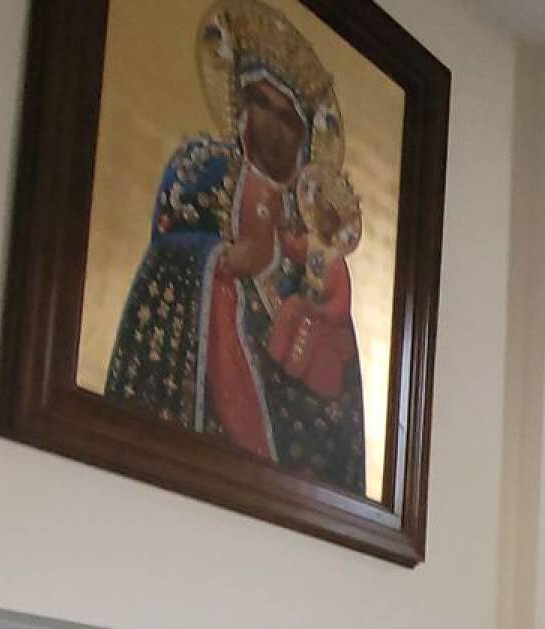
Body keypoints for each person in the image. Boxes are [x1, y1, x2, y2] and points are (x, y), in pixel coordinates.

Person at [104, 0, 367, 493]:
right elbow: (165, 256)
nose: (271, 125)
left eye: (287, 117)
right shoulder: (205, 170)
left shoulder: (310, 219)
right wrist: (221, 261)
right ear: (240, 105)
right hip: (209, 401)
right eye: (260, 103)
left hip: (292, 435)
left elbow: (336, 335)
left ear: (304, 135)